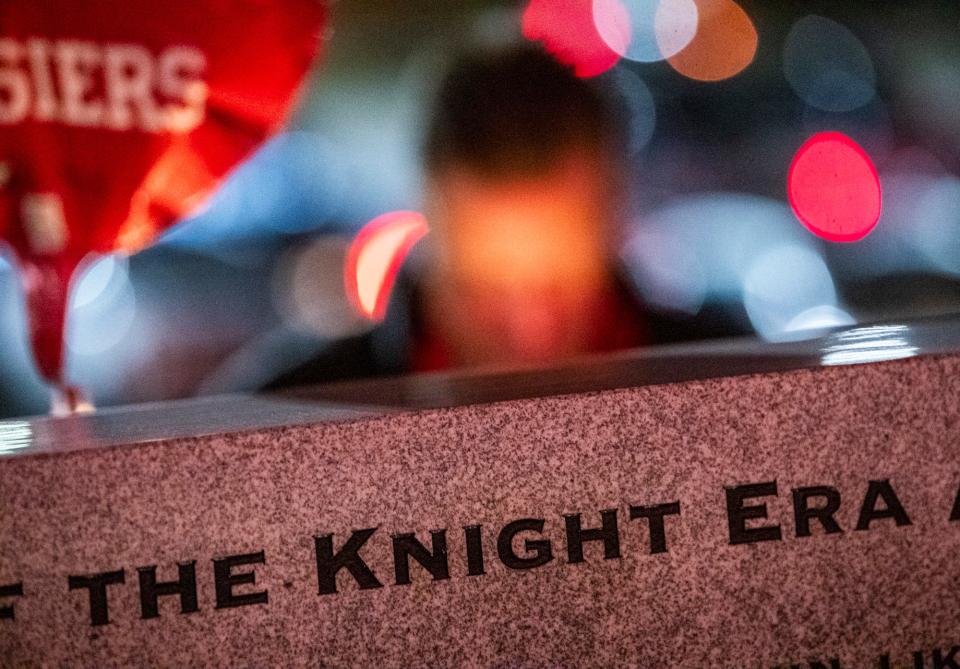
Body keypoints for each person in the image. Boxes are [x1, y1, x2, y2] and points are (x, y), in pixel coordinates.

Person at [409, 44, 646, 370]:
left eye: (560, 288)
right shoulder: (324, 403)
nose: (531, 332)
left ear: (613, 227)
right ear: (431, 237)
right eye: (485, 289)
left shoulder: (725, 381)